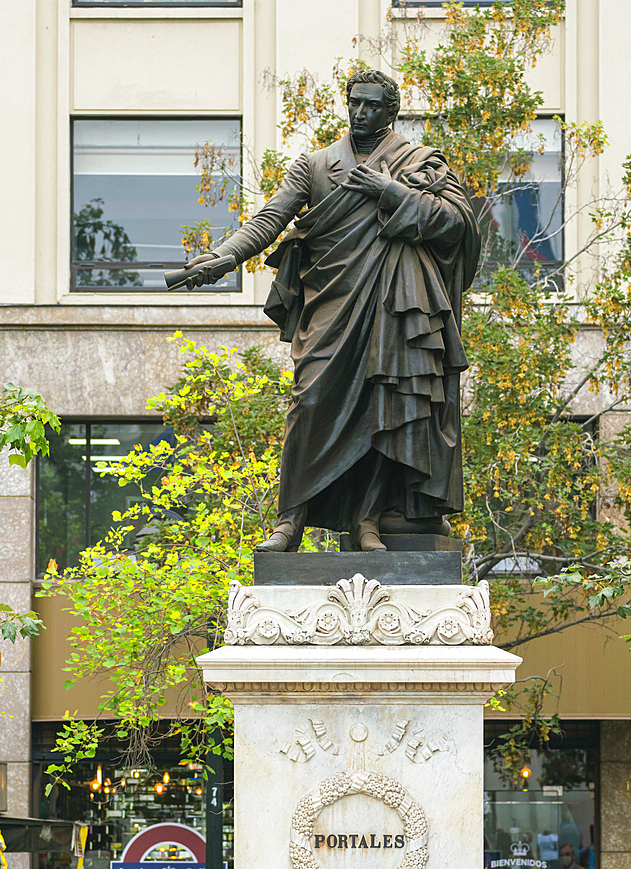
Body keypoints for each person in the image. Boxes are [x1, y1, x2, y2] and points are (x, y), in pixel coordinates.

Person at [183, 70, 480, 552]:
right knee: (310, 401)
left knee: (386, 407)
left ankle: (367, 520)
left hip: (392, 307)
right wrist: (226, 257)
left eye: (371, 106)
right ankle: (291, 518)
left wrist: (394, 194)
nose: (359, 114)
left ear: (392, 111)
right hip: (332, 306)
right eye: (354, 104)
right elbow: (270, 218)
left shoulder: (418, 163)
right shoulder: (317, 165)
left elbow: (457, 222)